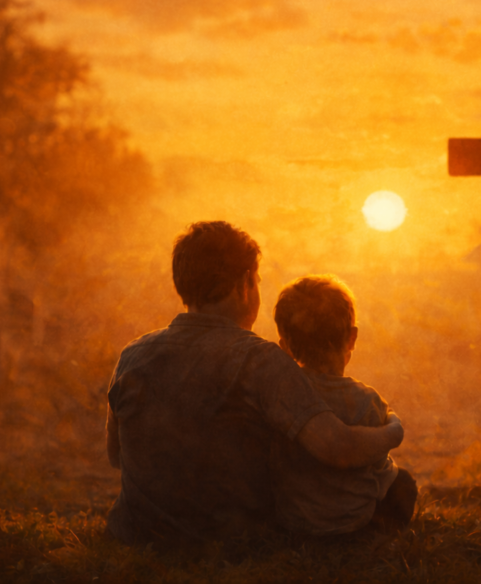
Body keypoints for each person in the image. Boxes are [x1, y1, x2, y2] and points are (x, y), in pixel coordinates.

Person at [105, 221, 405, 545]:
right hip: (226, 544)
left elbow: (115, 455)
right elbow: (336, 447)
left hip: (135, 535)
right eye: (257, 281)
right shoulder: (259, 361)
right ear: (245, 283)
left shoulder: (132, 356)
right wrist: (393, 432)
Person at [270, 274, 418, 536]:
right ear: (352, 338)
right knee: (402, 481)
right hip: (357, 524)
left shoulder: (282, 395)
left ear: (286, 347)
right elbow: (381, 471)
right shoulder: (368, 401)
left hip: (295, 523)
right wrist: (394, 423)